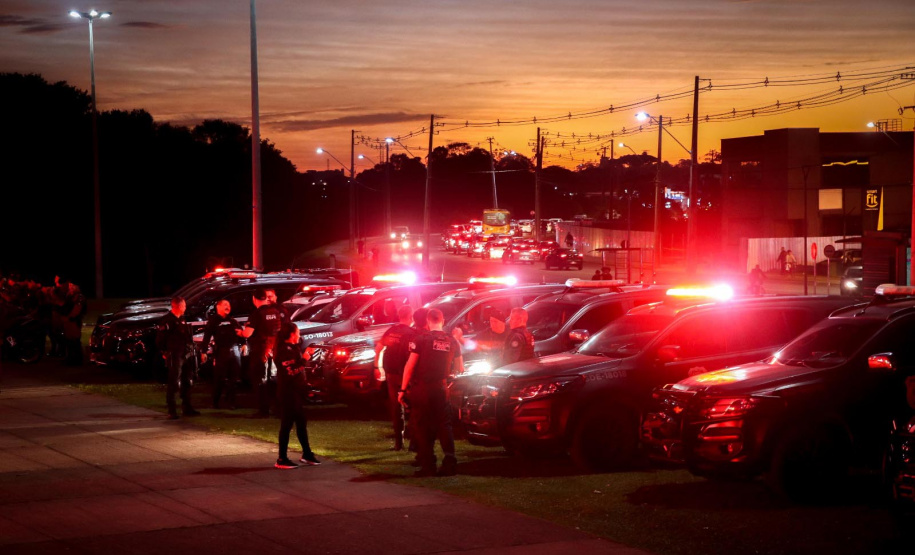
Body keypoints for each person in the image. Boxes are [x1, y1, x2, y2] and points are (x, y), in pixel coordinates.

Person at [398, 308, 463, 477]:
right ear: (443, 320)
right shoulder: (452, 341)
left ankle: (428, 465)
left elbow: (410, 366)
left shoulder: (421, 339)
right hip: (441, 388)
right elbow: (460, 368)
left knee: (423, 426)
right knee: (445, 425)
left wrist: (402, 389)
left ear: (428, 321)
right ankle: (450, 462)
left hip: (422, 389)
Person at [273, 322, 320, 469]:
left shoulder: (293, 348)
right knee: (286, 425)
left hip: (296, 392)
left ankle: (307, 454)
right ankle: (282, 459)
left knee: (301, 423)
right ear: (292, 334)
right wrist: (305, 358)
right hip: (288, 392)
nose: (299, 334)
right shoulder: (284, 350)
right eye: (298, 332)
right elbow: (291, 371)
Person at [374, 305, 416, 450]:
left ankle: (399, 442)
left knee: (396, 407)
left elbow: (378, 348)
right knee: (414, 406)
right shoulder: (412, 333)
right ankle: (413, 442)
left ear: (399, 316)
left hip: (391, 374)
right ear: (411, 317)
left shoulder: (391, 331)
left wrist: (376, 367)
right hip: (406, 375)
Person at [239, 289, 284, 417]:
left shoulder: (257, 313)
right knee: (274, 379)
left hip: (261, 351)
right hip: (274, 350)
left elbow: (247, 333)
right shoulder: (275, 311)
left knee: (260, 380)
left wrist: (240, 332)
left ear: (254, 299)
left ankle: (263, 410)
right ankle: (277, 408)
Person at [156, 296, 200, 419]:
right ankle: (172, 410)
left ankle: (187, 408)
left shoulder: (182, 319)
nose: (185, 308)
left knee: (188, 381)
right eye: (184, 305)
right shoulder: (167, 321)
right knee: (174, 382)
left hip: (186, 354)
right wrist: (164, 352)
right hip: (175, 355)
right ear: (179, 306)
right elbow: (160, 340)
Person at [200, 299, 244, 409]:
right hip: (221, 353)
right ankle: (215, 402)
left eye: (229, 305)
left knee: (234, 379)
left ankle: (231, 402)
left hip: (235, 353)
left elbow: (241, 333)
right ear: (218, 307)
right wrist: (204, 351)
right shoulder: (213, 321)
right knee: (219, 379)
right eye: (225, 305)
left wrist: (244, 343)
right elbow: (206, 337)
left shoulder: (233, 321)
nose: (227, 307)